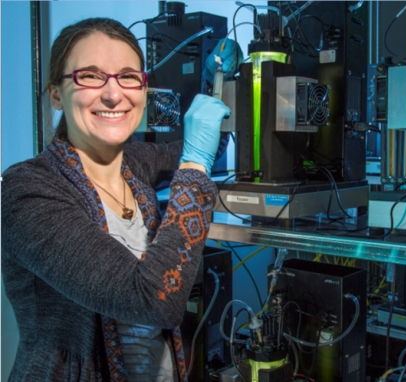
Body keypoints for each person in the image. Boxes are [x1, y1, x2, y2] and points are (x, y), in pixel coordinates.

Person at [1, 17, 241, 382]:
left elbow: (213, 145)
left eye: (129, 76)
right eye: (91, 76)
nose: (113, 94)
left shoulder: (135, 162)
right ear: (55, 93)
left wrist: (216, 80)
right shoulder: (26, 190)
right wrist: (194, 163)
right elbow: (154, 301)